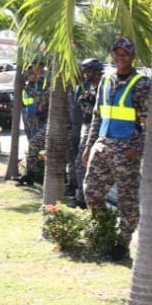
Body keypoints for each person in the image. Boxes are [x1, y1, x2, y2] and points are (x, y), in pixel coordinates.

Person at [83, 37, 151, 252]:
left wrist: (137, 148)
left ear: (132, 57)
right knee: (91, 192)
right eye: (117, 53)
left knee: (127, 199)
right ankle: (104, 232)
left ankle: (122, 243)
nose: (120, 57)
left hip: (126, 148)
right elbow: (97, 115)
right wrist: (88, 146)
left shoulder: (140, 84)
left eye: (125, 54)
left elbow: (149, 122)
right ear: (112, 55)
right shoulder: (106, 80)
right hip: (102, 145)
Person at [67, 58, 105, 205]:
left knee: (82, 163)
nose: (84, 74)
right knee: (81, 163)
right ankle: (82, 198)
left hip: (99, 131)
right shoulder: (90, 88)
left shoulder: (103, 87)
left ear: (95, 72)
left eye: (87, 71)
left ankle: (83, 200)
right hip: (89, 127)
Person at [15, 61, 49, 186]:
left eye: (37, 67)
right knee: (33, 144)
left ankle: (35, 174)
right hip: (31, 115)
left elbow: (41, 97)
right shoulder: (35, 79)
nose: (34, 71)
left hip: (46, 120)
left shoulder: (45, 80)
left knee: (37, 145)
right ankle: (30, 175)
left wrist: (26, 87)